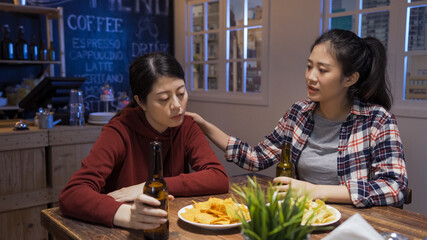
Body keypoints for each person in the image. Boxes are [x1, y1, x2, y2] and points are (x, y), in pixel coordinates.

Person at [186, 29, 408, 207]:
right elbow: (256, 158)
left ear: (350, 79)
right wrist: (204, 125)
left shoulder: (377, 120)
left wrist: (315, 191)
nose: (311, 77)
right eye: (309, 66)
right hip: (305, 219)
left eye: (322, 70)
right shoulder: (298, 113)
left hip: (355, 226)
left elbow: (395, 188)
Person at [59, 52, 229, 229]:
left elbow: (218, 177)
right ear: (141, 102)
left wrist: (152, 186)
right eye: (164, 99)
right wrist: (127, 215)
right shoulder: (119, 130)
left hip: (169, 226)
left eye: (181, 93)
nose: (177, 106)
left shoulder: (186, 126)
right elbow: (72, 194)